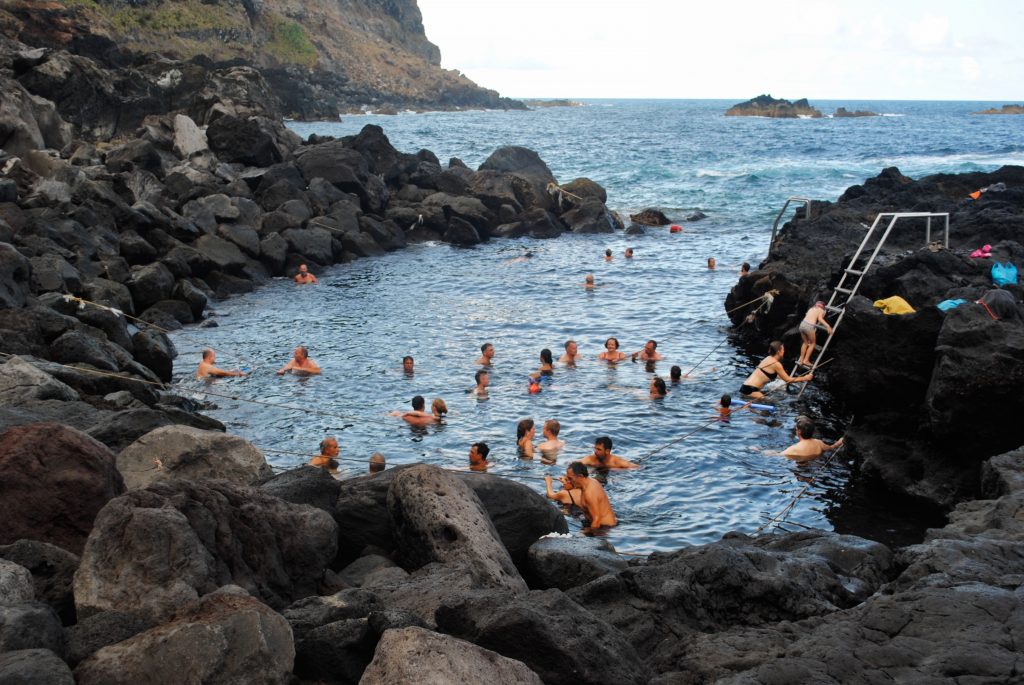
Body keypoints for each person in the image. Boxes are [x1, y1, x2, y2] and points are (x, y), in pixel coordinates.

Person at [546, 462, 617, 528]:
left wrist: (589, 536)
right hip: (603, 524)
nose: (569, 481)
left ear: (580, 476)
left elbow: (597, 520)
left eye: (570, 478)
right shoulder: (592, 481)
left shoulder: (589, 493)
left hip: (603, 528)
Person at [740, 341, 811, 399]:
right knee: (772, 403)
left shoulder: (768, 358)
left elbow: (771, 375)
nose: (784, 351)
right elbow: (788, 380)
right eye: (783, 349)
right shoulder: (776, 364)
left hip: (744, 387)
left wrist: (797, 382)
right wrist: (805, 378)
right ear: (778, 352)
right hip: (751, 390)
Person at [798, 301, 833, 368]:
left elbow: (807, 314)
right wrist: (828, 326)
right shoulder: (821, 310)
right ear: (823, 307)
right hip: (809, 326)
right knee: (812, 343)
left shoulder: (811, 308)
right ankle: (806, 360)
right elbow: (820, 319)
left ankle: (801, 359)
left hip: (802, 324)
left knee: (805, 343)